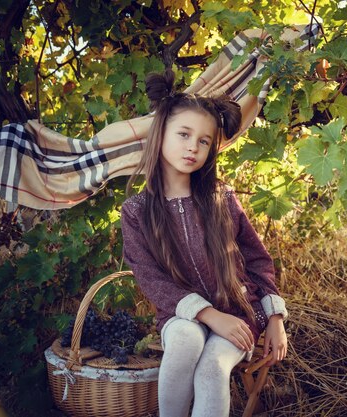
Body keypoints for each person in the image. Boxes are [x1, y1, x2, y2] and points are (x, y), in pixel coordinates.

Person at [120, 69, 288, 417]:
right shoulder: (136, 211)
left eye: (204, 141)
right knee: (186, 340)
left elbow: (258, 260)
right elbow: (151, 279)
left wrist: (275, 318)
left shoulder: (221, 198)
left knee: (212, 370)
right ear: (161, 132)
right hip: (181, 315)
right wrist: (207, 314)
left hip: (237, 314)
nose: (192, 147)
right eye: (184, 134)